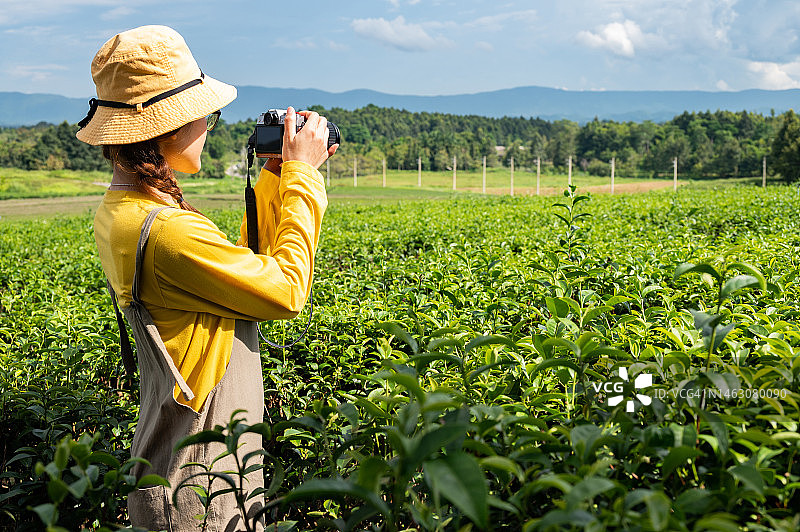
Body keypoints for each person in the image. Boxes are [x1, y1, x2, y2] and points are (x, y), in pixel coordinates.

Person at [76, 25, 337, 530]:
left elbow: (238, 273)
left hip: (176, 468)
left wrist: (272, 177)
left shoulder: (126, 210)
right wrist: (304, 177)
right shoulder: (168, 229)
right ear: (166, 129)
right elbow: (283, 290)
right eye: (206, 116)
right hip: (201, 491)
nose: (210, 127)